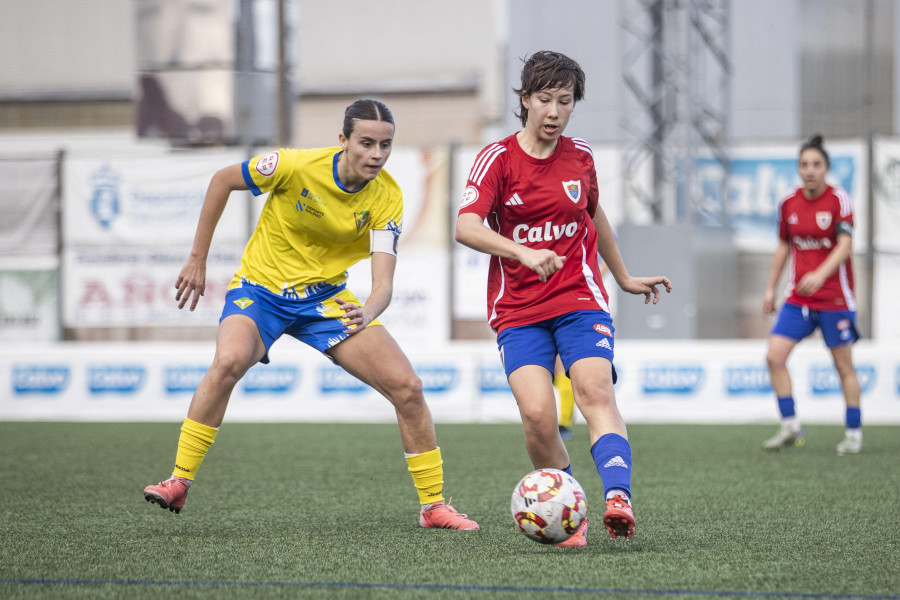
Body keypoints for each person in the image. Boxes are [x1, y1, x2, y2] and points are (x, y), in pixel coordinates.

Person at [143, 99, 479, 530]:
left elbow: (383, 286)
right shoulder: (292, 165)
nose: (376, 154)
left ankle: (434, 508)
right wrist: (197, 258)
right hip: (260, 290)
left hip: (325, 301)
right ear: (343, 140)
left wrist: (368, 310)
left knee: (408, 388)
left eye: (386, 145)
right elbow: (222, 180)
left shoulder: (388, 197)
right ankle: (179, 481)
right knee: (228, 362)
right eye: (366, 143)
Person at [455, 51, 671, 546]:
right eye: (545, 100)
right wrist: (523, 253)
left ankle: (619, 496)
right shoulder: (498, 159)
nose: (554, 111)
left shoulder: (581, 157)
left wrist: (622, 277)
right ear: (526, 100)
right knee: (537, 415)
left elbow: (595, 218)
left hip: (579, 297)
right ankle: (569, 512)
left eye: (565, 101)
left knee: (595, 391)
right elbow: (466, 226)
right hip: (519, 309)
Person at [762, 134, 862, 455]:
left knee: (843, 366)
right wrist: (770, 288)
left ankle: (853, 433)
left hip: (834, 298)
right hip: (798, 299)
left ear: (827, 169)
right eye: (804, 165)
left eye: (816, 165)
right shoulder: (789, 203)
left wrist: (820, 274)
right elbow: (783, 245)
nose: (810, 170)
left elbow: (845, 245)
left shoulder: (839, 201)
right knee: (774, 357)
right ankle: (791, 426)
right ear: (798, 169)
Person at [557, 260, 609, 441]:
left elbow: (610, 252)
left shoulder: (596, 233)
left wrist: (591, 279)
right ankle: (560, 422)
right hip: (550, 302)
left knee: (565, 369)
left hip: (580, 306)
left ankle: (564, 423)